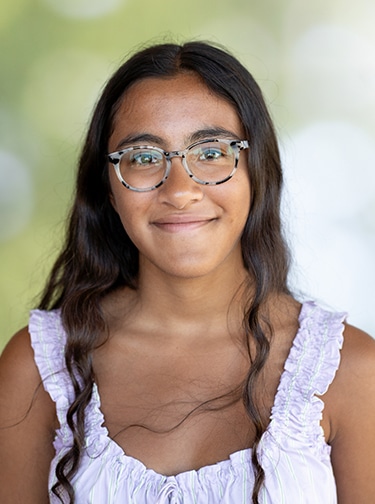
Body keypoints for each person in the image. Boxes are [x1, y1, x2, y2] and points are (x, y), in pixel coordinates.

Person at [0, 41, 374, 504]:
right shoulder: (38, 368)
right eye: (142, 157)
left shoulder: (350, 373)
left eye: (212, 152)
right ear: (109, 188)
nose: (180, 191)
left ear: (257, 170)